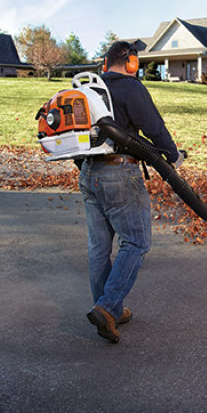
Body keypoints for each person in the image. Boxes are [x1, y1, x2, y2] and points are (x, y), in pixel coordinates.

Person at [79, 41, 184, 343]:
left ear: (104, 64)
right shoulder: (130, 87)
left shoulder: (90, 90)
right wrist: (173, 156)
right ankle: (108, 307)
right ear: (131, 63)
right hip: (119, 171)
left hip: (89, 173)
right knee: (137, 242)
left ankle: (108, 307)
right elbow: (154, 127)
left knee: (99, 247)